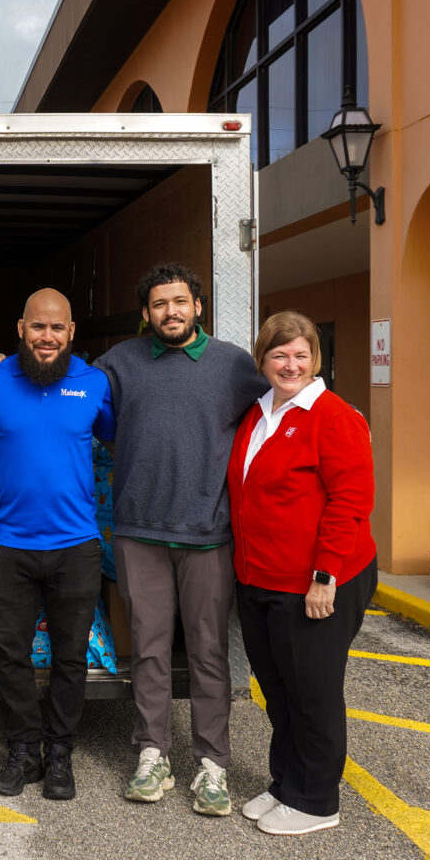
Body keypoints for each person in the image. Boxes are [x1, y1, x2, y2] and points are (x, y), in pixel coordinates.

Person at [87, 263, 266, 813]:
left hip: (209, 533)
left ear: (198, 307)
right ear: (146, 313)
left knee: (210, 652)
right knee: (149, 649)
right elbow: (65, 386)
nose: (171, 311)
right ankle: (152, 755)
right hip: (139, 531)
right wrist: (0, 364)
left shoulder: (233, 365)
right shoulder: (120, 361)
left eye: (180, 301)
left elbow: (278, 410)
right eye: (160, 303)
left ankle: (212, 767)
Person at [227, 311, 377, 836]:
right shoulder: (259, 411)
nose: (291, 364)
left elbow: (351, 501)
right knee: (279, 689)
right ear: (262, 361)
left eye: (301, 355)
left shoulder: (334, 416)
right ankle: (287, 783)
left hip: (316, 581)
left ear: (316, 358)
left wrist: (326, 575)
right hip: (261, 578)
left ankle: (317, 801)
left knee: (312, 692)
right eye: (279, 354)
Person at [0, 288, 114, 800]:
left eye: (57, 328)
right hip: (6, 547)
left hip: (76, 546)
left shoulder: (94, 384)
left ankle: (60, 755)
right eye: (38, 327)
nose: (47, 337)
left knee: (69, 658)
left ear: (72, 332)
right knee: (12, 656)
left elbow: (122, 443)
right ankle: (23, 752)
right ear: (20, 328)